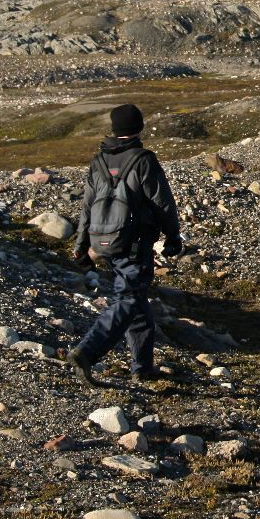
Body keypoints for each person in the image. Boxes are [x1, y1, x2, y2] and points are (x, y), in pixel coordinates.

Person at [66, 104, 182, 386]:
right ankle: (87, 351)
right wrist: (173, 236)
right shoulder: (143, 159)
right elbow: (162, 202)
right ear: (139, 127)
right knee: (128, 299)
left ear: (114, 128)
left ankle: (142, 367)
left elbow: (87, 206)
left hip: (103, 240)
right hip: (134, 242)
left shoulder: (99, 160)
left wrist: (82, 245)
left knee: (138, 303)